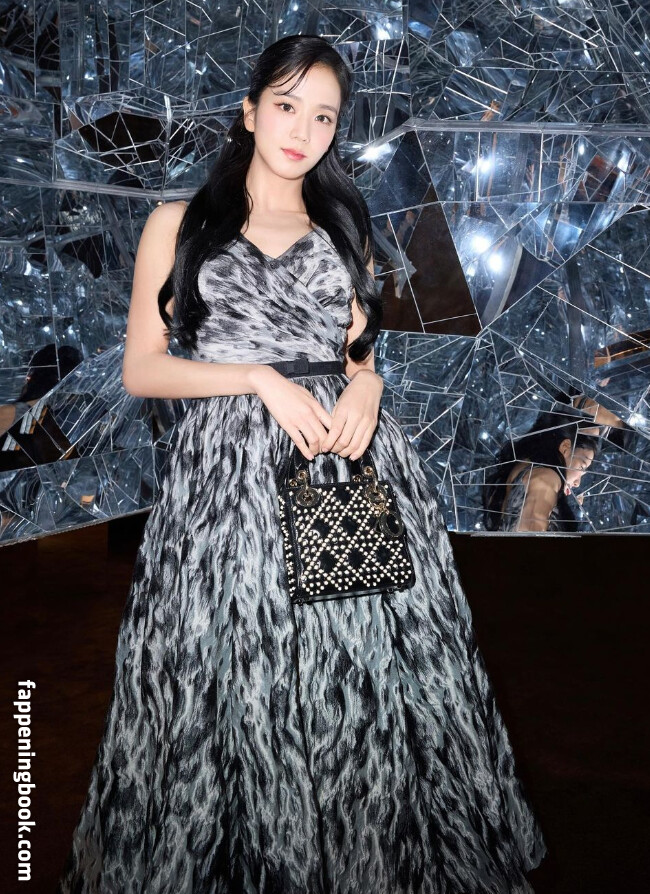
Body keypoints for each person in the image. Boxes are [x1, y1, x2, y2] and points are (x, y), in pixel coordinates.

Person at [56, 34, 548, 894]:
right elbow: (142, 368)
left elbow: (358, 356)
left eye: (324, 116)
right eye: (287, 106)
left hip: (344, 471)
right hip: (226, 489)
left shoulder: (344, 229)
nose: (303, 131)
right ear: (250, 112)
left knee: (360, 679)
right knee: (232, 676)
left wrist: (371, 387)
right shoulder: (177, 225)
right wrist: (255, 378)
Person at [484, 422, 599, 532]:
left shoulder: (523, 469)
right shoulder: (545, 479)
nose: (577, 483)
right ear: (565, 447)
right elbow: (530, 529)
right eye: (581, 467)